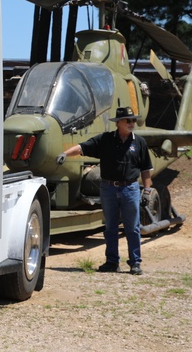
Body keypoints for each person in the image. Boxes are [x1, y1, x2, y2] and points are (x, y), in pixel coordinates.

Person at [56, 106, 153, 275]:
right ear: (118, 123)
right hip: (108, 189)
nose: (131, 123)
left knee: (132, 228)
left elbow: (146, 169)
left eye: (133, 120)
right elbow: (82, 147)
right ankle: (112, 262)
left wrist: (147, 190)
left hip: (130, 189)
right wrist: (65, 153)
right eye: (127, 120)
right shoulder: (105, 140)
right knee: (110, 227)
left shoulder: (139, 142)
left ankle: (135, 262)